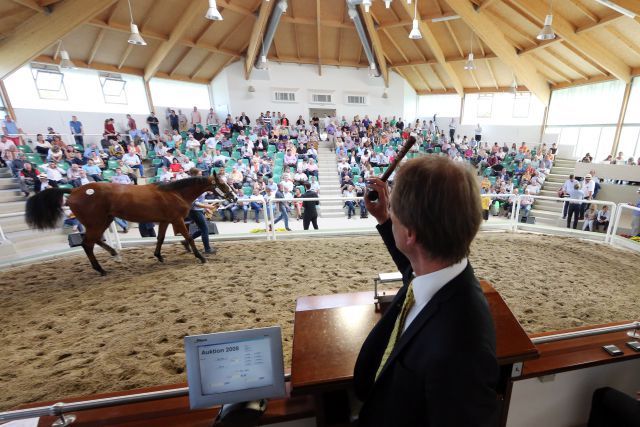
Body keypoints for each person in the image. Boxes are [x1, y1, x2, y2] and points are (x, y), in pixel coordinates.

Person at [354, 156, 498, 426]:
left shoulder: (462, 345)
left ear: (410, 234)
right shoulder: (436, 271)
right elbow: (411, 268)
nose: (392, 214)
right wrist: (385, 218)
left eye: (394, 210)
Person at [185, 169, 216, 254]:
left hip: (197, 210)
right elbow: (194, 203)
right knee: (205, 229)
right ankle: (207, 249)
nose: (201, 176)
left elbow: (200, 200)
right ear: (194, 175)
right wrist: (207, 206)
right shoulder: (192, 186)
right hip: (194, 211)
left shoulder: (197, 185)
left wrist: (206, 208)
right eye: (199, 174)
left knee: (203, 229)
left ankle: (186, 241)